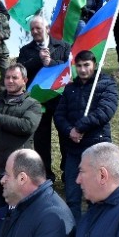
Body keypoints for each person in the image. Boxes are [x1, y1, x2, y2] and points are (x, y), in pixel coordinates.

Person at [53, 50, 119, 221]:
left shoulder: (106, 84)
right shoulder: (70, 88)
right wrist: (70, 131)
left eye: (86, 65)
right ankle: (74, 234)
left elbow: (106, 110)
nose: (82, 70)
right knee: (72, 197)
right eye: (79, 66)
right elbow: (59, 115)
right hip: (73, 150)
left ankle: (95, 231)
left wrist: (80, 127)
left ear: (94, 65)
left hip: (97, 147)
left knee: (97, 196)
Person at [0, 64, 42, 208]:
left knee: (17, 211)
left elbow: (26, 126)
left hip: (18, 169)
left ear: (24, 80)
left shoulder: (32, 104)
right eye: (7, 77)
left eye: (14, 78)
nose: (10, 81)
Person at [16, 16, 71, 180]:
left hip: (60, 98)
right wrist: (38, 60)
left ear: (47, 29)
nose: (34, 32)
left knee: (65, 136)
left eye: (38, 28)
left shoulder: (64, 45)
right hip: (38, 100)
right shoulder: (26, 50)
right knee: (41, 139)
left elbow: (69, 67)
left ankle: (68, 172)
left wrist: (52, 62)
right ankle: (46, 174)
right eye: (32, 29)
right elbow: (20, 70)